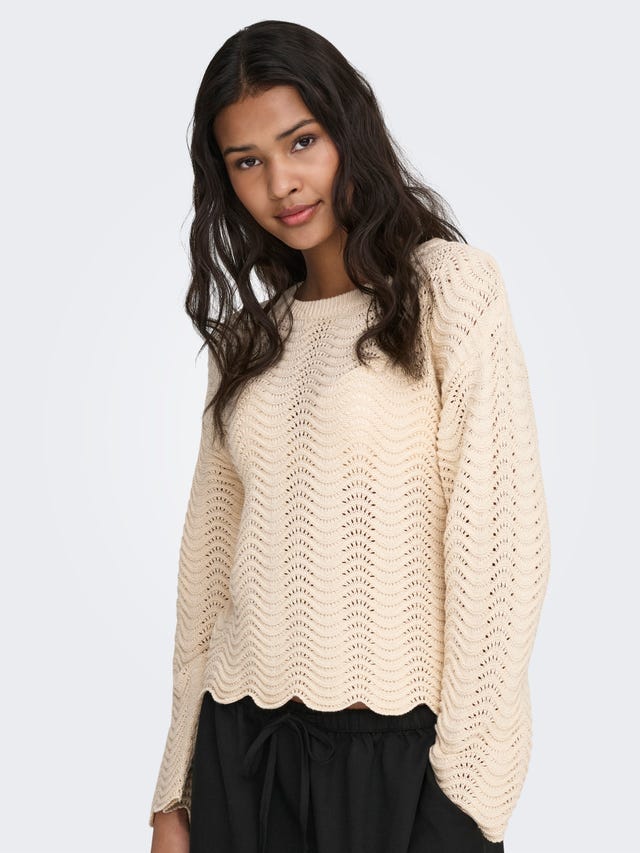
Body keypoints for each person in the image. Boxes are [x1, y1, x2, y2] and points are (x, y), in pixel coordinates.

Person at [148, 19, 551, 853]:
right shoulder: (246, 344)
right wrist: (172, 793)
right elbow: (206, 578)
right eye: (247, 161)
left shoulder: (451, 293)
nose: (282, 183)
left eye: (301, 142)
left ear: (348, 130)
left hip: (394, 768)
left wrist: (466, 804)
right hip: (239, 756)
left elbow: (503, 557)